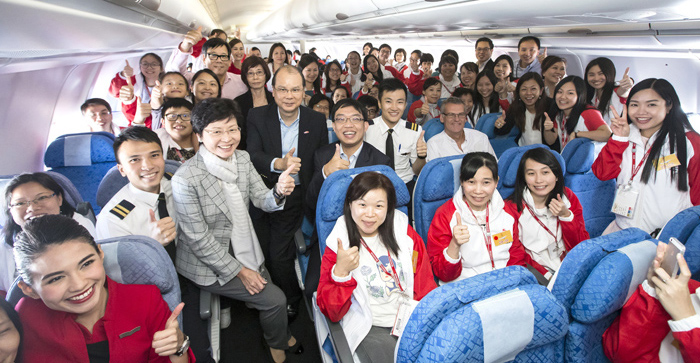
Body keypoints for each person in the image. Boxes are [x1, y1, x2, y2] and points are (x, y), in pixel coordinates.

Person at [172, 98, 302, 363]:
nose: (227, 138)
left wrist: (278, 191)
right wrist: (240, 272)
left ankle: (278, 332)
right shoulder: (186, 179)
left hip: (241, 243)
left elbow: (260, 199)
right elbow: (199, 241)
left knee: (268, 292)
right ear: (199, 135)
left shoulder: (242, 158)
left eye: (232, 129)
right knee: (275, 299)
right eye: (216, 131)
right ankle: (276, 342)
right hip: (206, 262)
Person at [14, 215, 194, 362]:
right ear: (29, 289)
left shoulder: (145, 300)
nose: (79, 285)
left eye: (86, 263)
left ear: (100, 254)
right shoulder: (25, 317)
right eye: (56, 278)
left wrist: (178, 348)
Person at [317, 172, 437, 362]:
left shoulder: (403, 231)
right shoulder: (340, 242)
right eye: (362, 204)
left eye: (379, 206)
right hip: (371, 326)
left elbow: (424, 282)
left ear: (388, 207)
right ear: (350, 204)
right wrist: (341, 272)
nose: (370, 214)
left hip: (410, 317)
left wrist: (427, 319)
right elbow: (332, 312)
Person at [247, 65, 328, 319]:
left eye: (295, 89)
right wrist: (278, 163)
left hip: (296, 195)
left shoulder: (315, 120)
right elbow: (252, 154)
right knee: (258, 250)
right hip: (263, 191)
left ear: (304, 91)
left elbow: (319, 158)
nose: (289, 96)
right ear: (273, 91)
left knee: (278, 254)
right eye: (282, 89)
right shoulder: (256, 116)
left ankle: (289, 300)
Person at [592, 78, 700, 235]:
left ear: (669, 106)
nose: (641, 112)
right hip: (623, 231)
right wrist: (619, 139)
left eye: (651, 104)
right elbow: (602, 173)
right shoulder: (624, 137)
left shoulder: (689, 141)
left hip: (668, 236)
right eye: (635, 104)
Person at [427, 152, 529, 283]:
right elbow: (444, 275)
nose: (478, 190)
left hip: (504, 283)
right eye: (471, 182)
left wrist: (513, 283)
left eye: (486, 182)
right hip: (466, 287)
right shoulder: (445, 215)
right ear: (462, 181)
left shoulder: (506, 211)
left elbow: (516, 256)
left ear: (496, 182)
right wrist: (455, 244)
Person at [603, 242, 700, 363]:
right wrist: (653, 290)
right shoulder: (689, 288)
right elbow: (617, 347)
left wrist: (686, 318)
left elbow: (622, 355)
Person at [2, 172, 96, 294]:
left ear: (59, 199)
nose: (32, 208)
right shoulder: (5, 242)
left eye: (41, 198)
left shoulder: (80, 227)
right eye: (20, 203)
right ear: (10, 210)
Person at [504, 148, 589, 278]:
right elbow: (515, 255)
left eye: (545, 172)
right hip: (538, 274)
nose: (539, 180)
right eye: (531, 173)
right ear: (524, 178)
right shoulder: (510, 208)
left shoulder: (568, 197)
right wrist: (547, 277)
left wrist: (566, 217)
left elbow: (581, 245)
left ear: (556, 176)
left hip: (570, 266)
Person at [364, 78, 427, 195]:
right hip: (373, 186)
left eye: (400, 102)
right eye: (388, 101)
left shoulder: (414, 131)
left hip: (404, 185)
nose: (394, 107)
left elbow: (418, 170)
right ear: (379, 103)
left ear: (405, 105)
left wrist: (421, 157)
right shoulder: (367, 129)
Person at [165, 31, 247, 100]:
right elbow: (173, 74)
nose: (219, 60)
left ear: (229, 61)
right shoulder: (196, 79)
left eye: (223, 56)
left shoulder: (241, 82)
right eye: (213, 56)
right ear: (204, 59)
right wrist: (185, 47)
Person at [548, 75, 611, 150]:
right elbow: (550, 141)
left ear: (580, 95)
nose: (563, 97)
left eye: (570, 93)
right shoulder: (560, 114)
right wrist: (547, 129)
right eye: (560, 92)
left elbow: (607, 134)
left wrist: (577, 134)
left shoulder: (588, 112)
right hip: (568, 156)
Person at [426, 97, 494, 162]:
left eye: (461, 114)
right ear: (442, 118)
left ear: (465, 118)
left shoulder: (481, 138)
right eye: (451, 115)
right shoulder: (434, 144)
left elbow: (494, 168)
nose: (457, 119)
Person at [494, 72, 553, 146]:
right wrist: (499, 124)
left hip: (546, 154)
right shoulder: (516, 107)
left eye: (533, 89)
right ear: (518, 92)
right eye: (524, 89)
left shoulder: (551, 106)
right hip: (524, 152)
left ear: (541, 91)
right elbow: (502, 131)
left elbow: (553, 141)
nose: (528, 93)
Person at [110, 53, 163, 126]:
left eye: (154, 64)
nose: (149, 67)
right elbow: (115, 92)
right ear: (140, 67)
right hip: (139, 122)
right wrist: (123, 75)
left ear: (161, 68)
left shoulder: (168, 82)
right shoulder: (132, 80)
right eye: (145, 64)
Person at [235, 55, 274, 150]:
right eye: (250, 73)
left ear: (266, 74)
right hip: (247, 150)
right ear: (245, 77)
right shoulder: (238, 102)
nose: (255, 77)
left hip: (273, 149)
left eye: (259, 72)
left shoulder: (275, 99)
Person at [585, 57, 633, 124]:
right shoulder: (591, 95)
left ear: (609, 74)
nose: (596, 78)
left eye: (601, 74)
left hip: (616, 133)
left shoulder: (616, 91)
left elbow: (623, 92)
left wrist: (627, 85)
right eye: (591, 75)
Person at [155, 98, 199, 163]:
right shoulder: (158, 137)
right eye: (172, 116)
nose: (179, 121)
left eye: (185, 115)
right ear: (163, 122)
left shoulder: (204, 142)